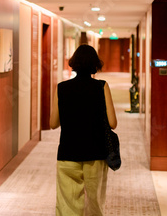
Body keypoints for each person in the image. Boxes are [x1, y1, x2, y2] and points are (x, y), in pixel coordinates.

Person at [50, 44, 118, 216]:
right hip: (95, 154)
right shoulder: (102, 86)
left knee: (67, 205)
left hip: (68, 153)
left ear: (74, 64)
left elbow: (53, 123)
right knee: (94, 204)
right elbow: (112, 123)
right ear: (95, 65)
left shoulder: (61, 88)